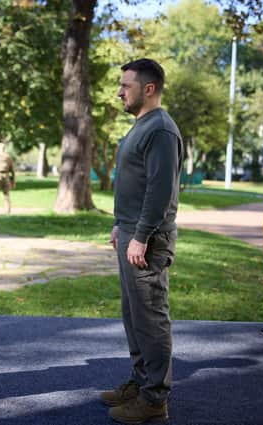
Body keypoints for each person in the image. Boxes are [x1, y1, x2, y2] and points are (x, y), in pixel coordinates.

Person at [101, 58, 183, 424]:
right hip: (132, 233)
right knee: (134, 316)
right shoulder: (141, 126)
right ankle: (141, 381)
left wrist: (141, 235)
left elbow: (160, 190)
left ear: (148, 89)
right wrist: (122, 225)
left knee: (150, 318)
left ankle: (154, 400)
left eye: (126, 85)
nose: (119, 91)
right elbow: (135, 184)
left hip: (147, 240)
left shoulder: (161, 129)